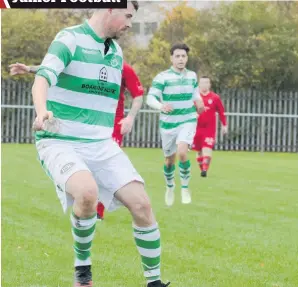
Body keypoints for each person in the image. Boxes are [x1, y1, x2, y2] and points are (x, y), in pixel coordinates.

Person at [31, 3, 170, 286]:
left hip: (101, 144)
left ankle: (154, 283)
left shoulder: (116, 52)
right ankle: (83, 269)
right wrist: (41, 110)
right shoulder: (69, 38)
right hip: (60, 141)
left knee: (142, 205)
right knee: (86, 193)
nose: (130, 24)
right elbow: (43, 79)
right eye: (128, 16)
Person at [9, 61, 144, 221]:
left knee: (101, 167)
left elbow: (138, 95)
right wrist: (29, 68)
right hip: (85, 125)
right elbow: (56, 67)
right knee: (82, 169)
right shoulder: (85, 61)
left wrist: (130, 118)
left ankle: (98, 213)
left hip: (111, 125)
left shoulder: (122, 67)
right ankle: (87, 206)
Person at [146, 43, 205, 206]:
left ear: (187, 58)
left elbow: (195, 94)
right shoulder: (162, 77)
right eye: (177, 56)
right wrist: (161, 106)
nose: (180, 59)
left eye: (183, 56)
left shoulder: (192, 76)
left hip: (187, 120)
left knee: (182, 151)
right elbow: (150, 98)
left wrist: (199, 103)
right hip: (168, 125)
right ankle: (170, 186)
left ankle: (185, 188)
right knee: (169, 161)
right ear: (171, 58)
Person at [192, 76, 227, 177]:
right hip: (196, 128)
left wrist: (224, 125)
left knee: (207, 148)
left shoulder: (215, 98)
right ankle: (202, 168)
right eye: (202, 83)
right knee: (199, 151)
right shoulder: (195, 98)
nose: (204, 85)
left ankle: (205, 169)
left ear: (209, 84)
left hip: (209, 129)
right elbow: (188, 110)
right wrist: (193, 114)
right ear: (199, 84)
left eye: (206, 83)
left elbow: (221, 112)